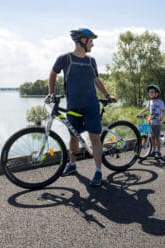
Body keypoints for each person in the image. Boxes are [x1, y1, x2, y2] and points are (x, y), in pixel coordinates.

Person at [47, 28, 117, 187]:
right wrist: (51, 93)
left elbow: (96, 80)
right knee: (73, 136)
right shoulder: (65, 58)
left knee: (94, 138)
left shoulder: (91, 61)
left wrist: (107, 95)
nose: (93, 44)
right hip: (73, 106)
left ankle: (98, 171)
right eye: (91, 40)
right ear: (82, 41)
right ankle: (72, 165)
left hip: (91, 105)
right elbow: (53, 74)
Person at [137, 84, 165, 158]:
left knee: (157, 137)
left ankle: (158, 152)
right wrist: (139, 113)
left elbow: (163, 111)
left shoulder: (160, 102)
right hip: (151, 122)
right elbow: (146, 109)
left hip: (157, 122)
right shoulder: (150, 102)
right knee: (152, 137)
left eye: (152, 92)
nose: (150, 93)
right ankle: (153, 150)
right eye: (149, 92)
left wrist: (161, 117)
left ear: (157, 93)